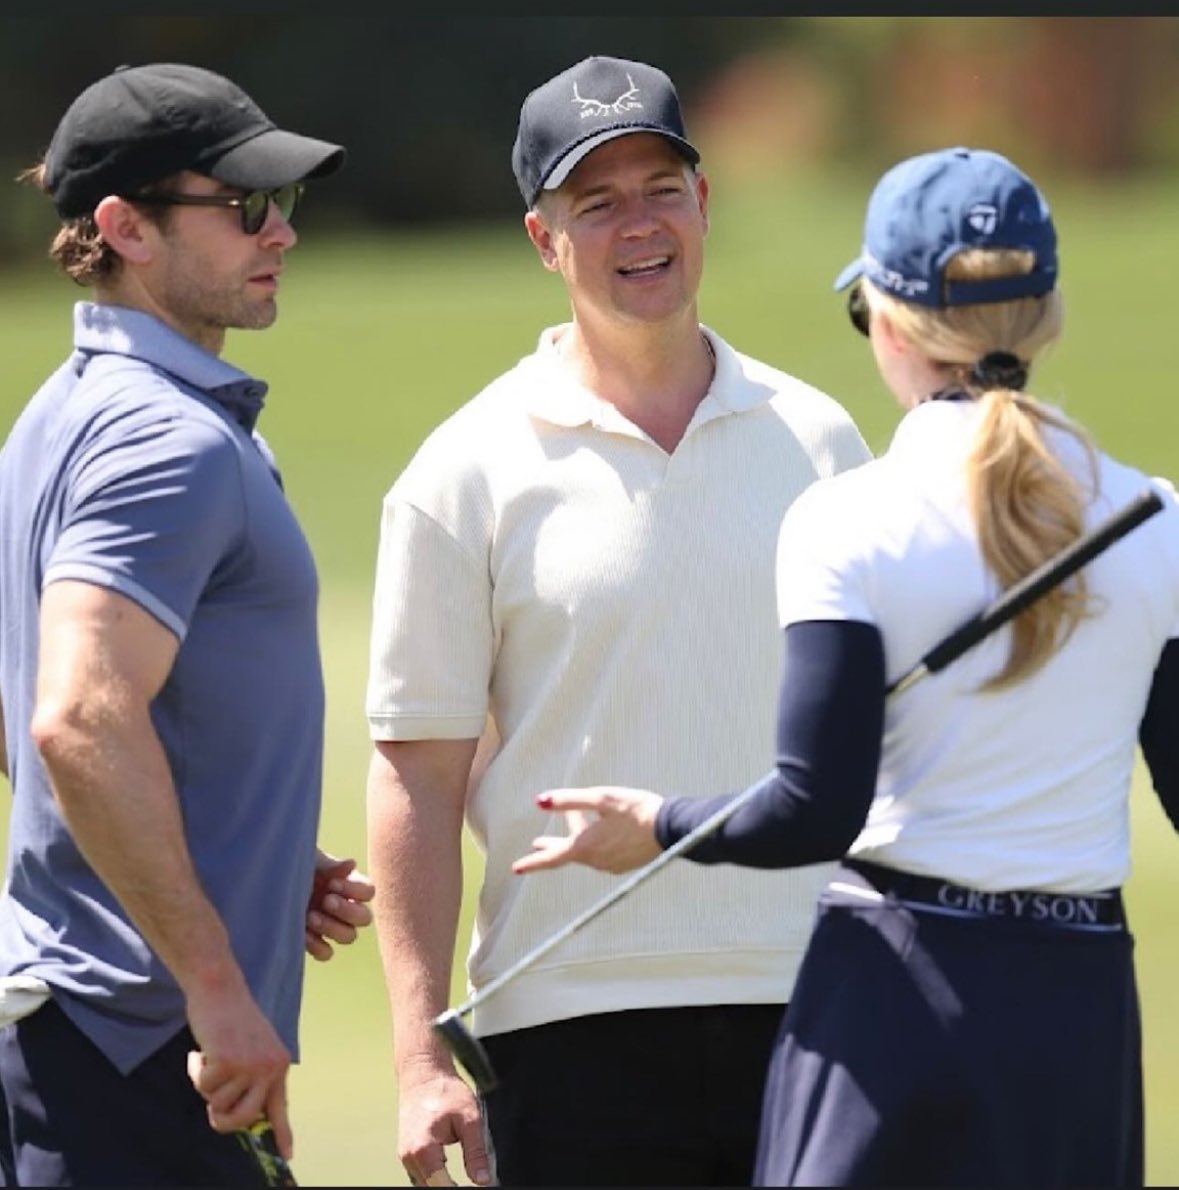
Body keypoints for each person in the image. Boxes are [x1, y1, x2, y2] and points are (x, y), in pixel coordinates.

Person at [511, 145, 1179, 1188]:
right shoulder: (1156, 517)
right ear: (1043, 317)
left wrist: (652, 824)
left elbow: (815, 810)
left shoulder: (844, 518)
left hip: (895, 988)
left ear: (893, 324)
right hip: (1081, 1001)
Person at [364, 53, 872, 1189]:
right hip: (562, 1022)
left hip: (814, 998)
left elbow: (887, 741)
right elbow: (417, 772)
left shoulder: (823, 439)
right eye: (596, 202)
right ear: (544, 239)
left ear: (705, 204)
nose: (638, 225)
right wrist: (417, 1053)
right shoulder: (464, 471)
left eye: (660, 188)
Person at [0, 62, 376, 1186]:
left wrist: (238, 840)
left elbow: (23, 707)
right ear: (126, 228)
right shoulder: (167, 442)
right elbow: (73, 720)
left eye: (285, 203)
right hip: (144, 1044)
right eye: (245, 204)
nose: (281, 233)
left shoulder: (58, 415)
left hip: (81, 1039)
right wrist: (218, 983)